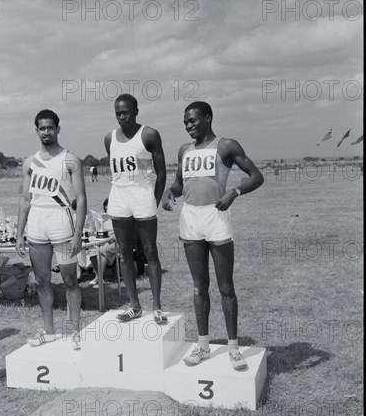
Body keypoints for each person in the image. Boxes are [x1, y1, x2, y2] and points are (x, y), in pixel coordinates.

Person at [162, 101, 264, 370]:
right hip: (191, 219)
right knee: (199, 287)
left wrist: (235, 192)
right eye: (185, 122)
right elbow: (180, 183)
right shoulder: (184, 150)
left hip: (216, 216)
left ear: (208, 118)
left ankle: (233, 348)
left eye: (193, 120)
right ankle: (203, 345)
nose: (188, 126)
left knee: (226, 287)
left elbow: (256, 176)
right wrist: (168, 192)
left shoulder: (226, 145)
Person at [16, 109, 87, 350]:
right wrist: (19, 234)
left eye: (50, 127)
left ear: (58, 128)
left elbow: (81, 198)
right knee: (42, 282)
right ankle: (48, 331)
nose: (46, 131)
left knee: (69, 281)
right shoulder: (29, 162)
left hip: (62, 224)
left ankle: (74, 331)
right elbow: (25, 200)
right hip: (37, 225)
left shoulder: (71, 160)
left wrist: (78, 233)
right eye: (41, 128)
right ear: (36, 130)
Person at [104, 93, 167, 324]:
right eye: (118, 113)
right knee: (124, 253)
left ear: (136, 111)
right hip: (119, 197)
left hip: (143, 196)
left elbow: (162, 172)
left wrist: (154, 200)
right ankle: (135, 306)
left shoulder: (149, 134)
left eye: (126, 112)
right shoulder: (109, 139)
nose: (122, 116)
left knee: (150, 252)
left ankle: (157, 306)